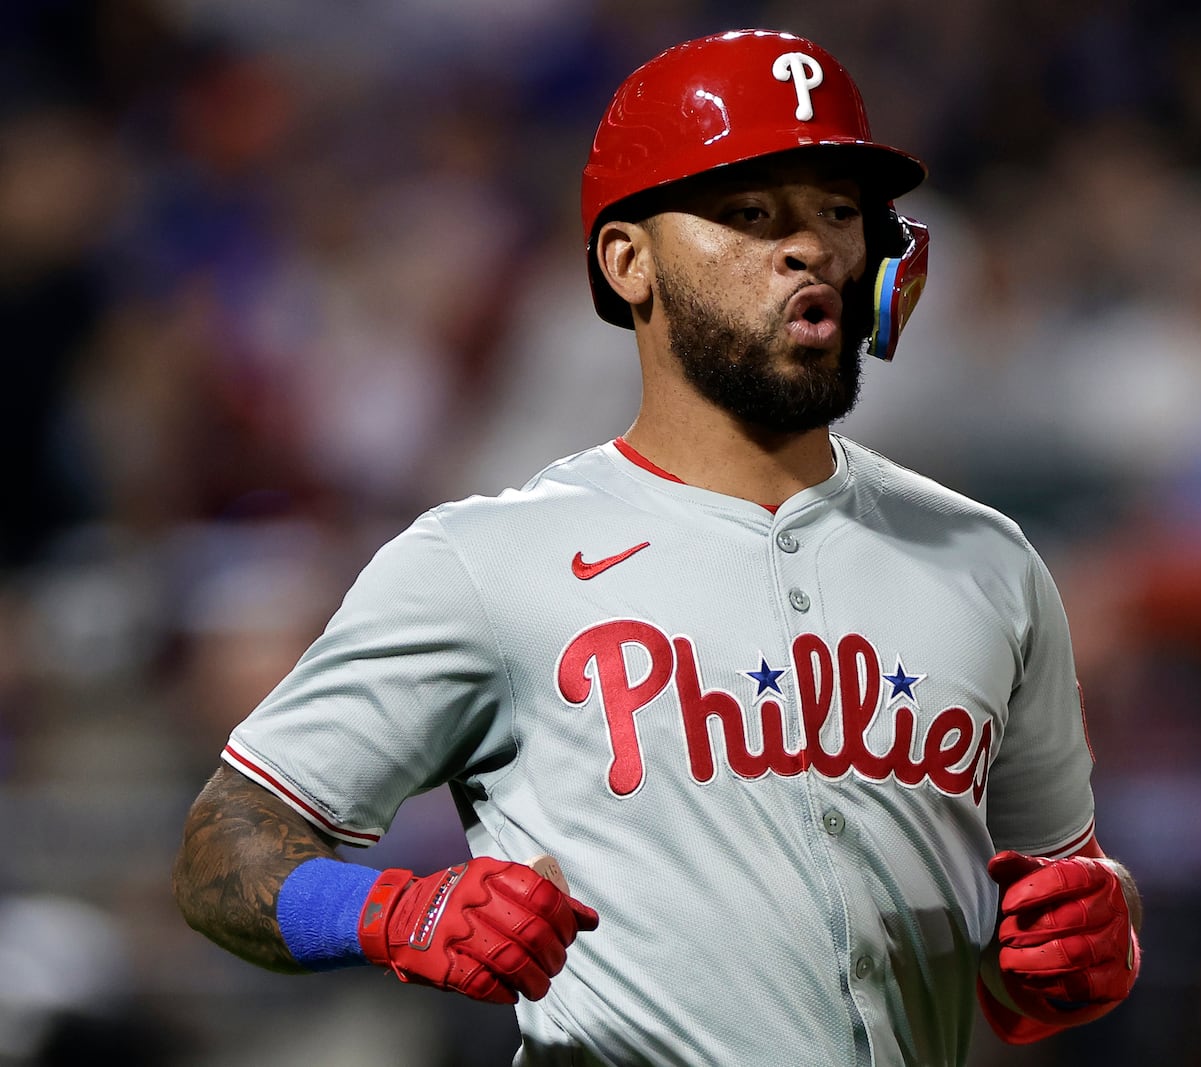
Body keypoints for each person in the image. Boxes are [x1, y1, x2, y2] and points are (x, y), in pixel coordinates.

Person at [172, 28, 1142, 1066]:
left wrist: (1097, 937)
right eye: (750, 212)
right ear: (627, 261)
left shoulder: (986, 558)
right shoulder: (488, 558)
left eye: (836, 211)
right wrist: (389, 910)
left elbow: (1047, 914)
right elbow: (224, 847)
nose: (809, 245)